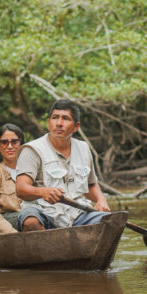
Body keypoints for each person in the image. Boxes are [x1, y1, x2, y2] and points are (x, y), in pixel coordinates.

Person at [15, 99, 110, 231]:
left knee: (109, 221)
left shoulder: (83, 148)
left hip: (77, 214)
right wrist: (43, 192)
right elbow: (21, 189)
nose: (59, 123)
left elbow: (91, 184)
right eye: (55, 118)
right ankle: (44, 251)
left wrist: (101, 200)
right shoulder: (32, 149)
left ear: (76, 126)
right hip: (41, 212)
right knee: (30, 221)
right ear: (49, 123)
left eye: (65, 118)